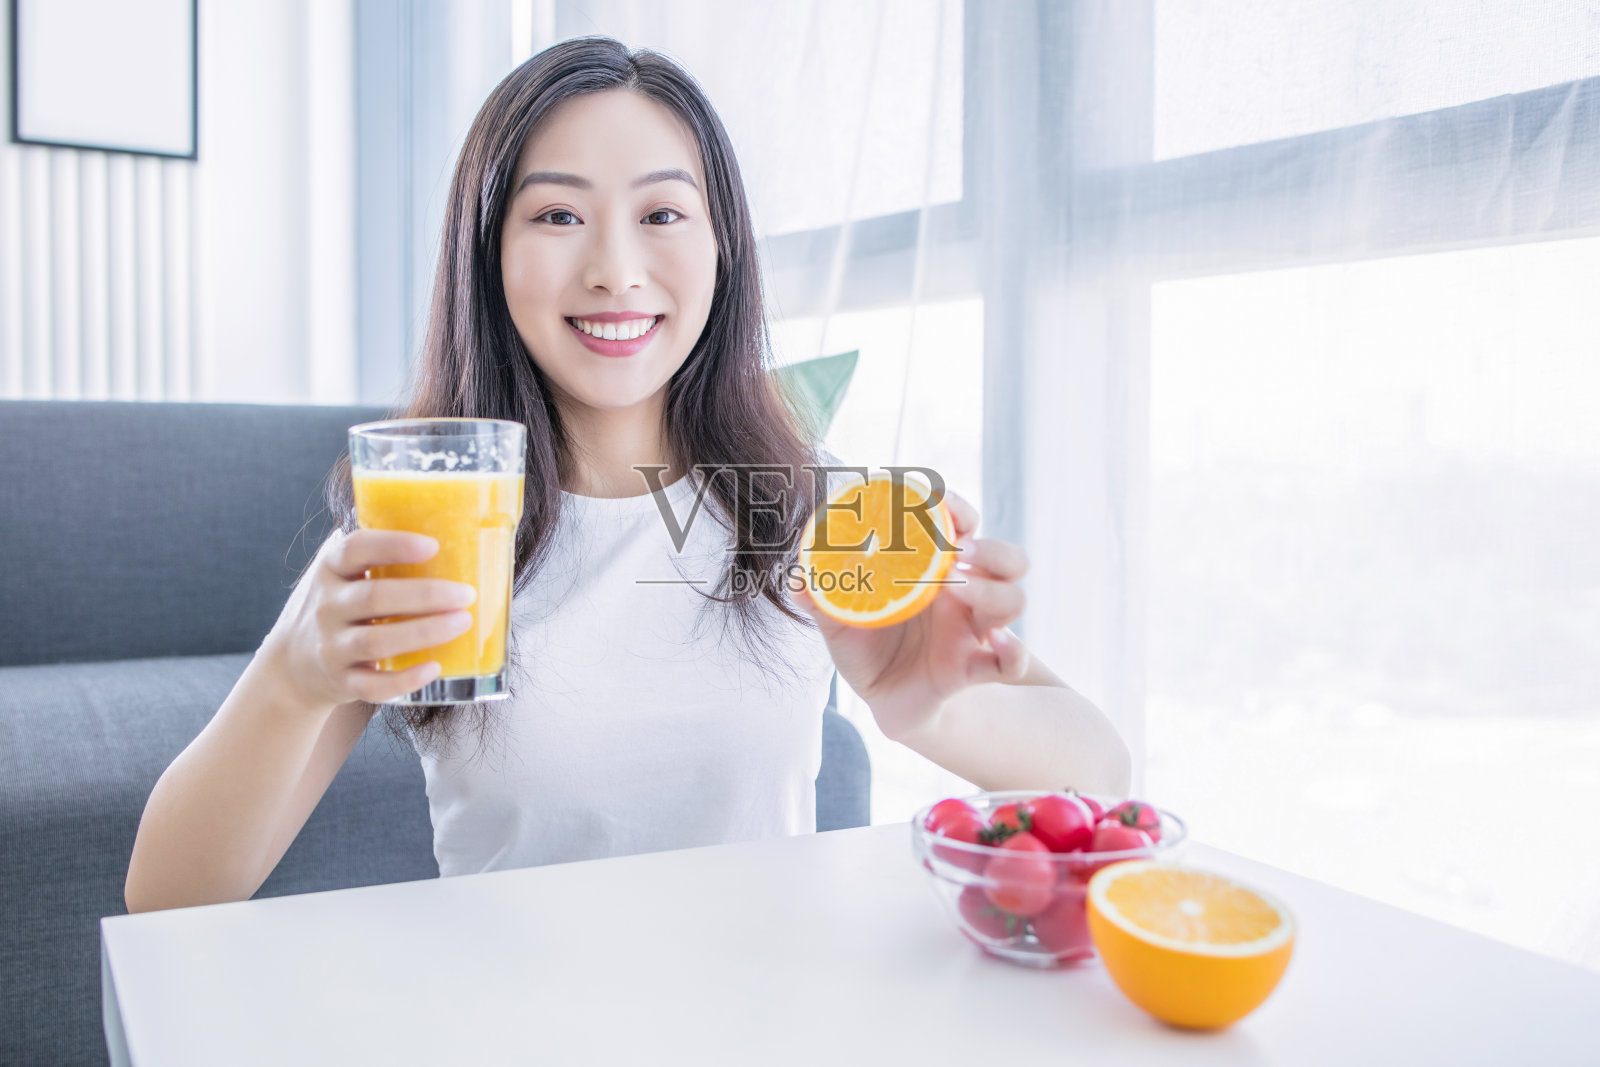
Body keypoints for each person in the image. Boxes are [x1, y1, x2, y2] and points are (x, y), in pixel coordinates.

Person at [124, 37, 1130, 913]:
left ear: (722, 247)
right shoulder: (432, 527)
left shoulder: (810, 505)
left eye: (662, 214)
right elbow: (166, 893)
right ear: (489, 254)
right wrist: (292, 680)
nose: (613, 267)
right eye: (557, 216)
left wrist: (933, 708)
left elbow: (1101, 773)